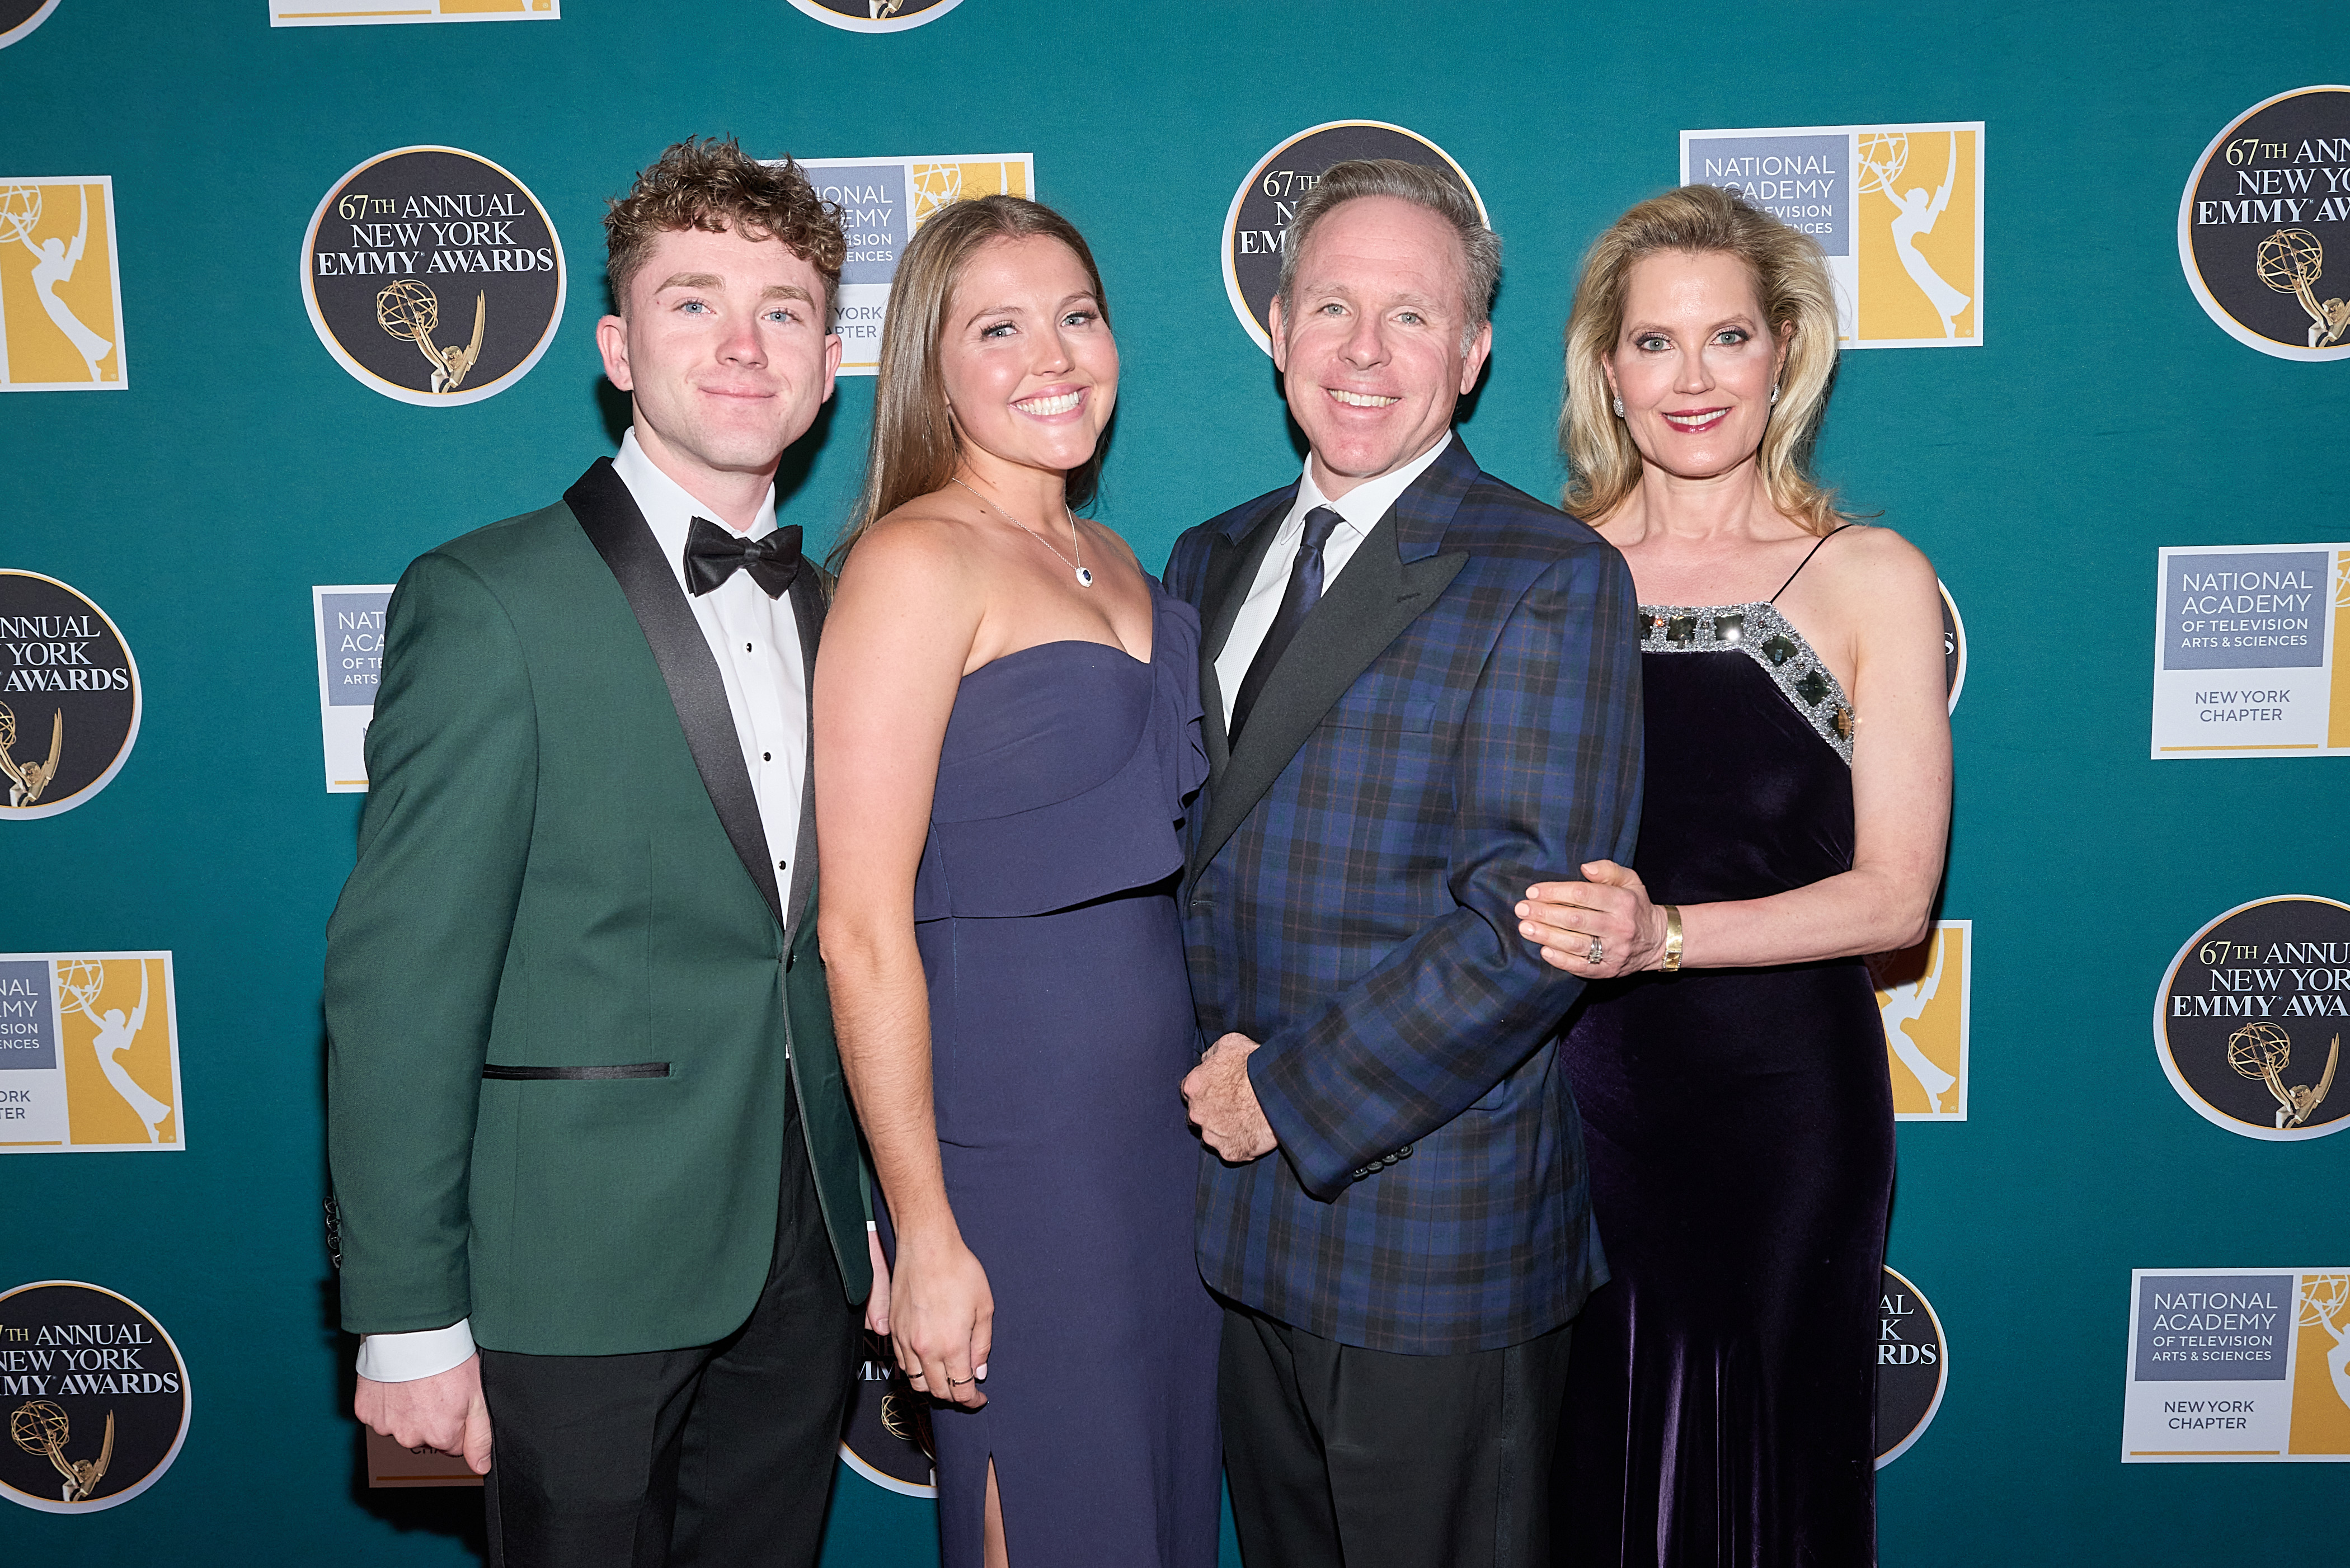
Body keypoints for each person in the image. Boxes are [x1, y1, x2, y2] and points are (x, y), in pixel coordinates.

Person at [325, 138, 884, 1568]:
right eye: (694, 302)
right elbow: (401, 983)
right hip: (571, 1274)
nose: (745, 346)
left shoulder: (848, 613)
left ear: (830, 366)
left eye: (782, 311)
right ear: (618, 349)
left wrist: (875, 1212)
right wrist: (406, 1316)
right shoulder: (489, 600)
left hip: (807, 1261)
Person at [1164, 158, 1644, 1568]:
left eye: (1412, 316)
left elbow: (1528, 929)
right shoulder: (1206, 557)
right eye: (1331, 307)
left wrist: (1281, 1095)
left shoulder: (1546, 573)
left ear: (1475, 351)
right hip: (1235, 1226)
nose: (1363, 351)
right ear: (1277, 328)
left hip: (1430, 1236)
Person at [1518, 183, 1951, 1567]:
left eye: (1728, 337)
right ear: (1606, 369)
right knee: (1589, 1466)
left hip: (1785, 1112)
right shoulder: (1541, 572)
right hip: (1573, 1105)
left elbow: (1897, 898)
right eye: (1655, 342)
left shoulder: (1867, 575)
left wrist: (1663, 937)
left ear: (1785, 354)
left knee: (1772, 1466)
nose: (1693, 378)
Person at [815, 194, 1221, 1568]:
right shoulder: (914, 560)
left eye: (1078, 317)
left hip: (1160, 1139)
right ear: (932, 366)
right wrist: (925, 1223)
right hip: (1009, 1141)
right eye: (999, 329)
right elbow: (861, 927)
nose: (1054, 357)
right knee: (1048, 1511)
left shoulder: (1127, 562)